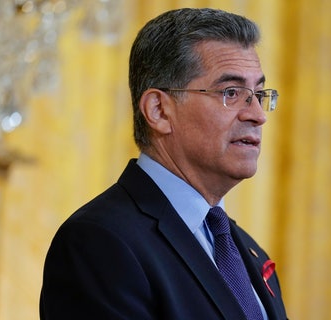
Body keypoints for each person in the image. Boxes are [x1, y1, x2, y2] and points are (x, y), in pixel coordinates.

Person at [39, 8, 287, 320]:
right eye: (231, 92)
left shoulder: (247, 251)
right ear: (159, 110)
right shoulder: (100, 242)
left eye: (259, 93)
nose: (258, 115)